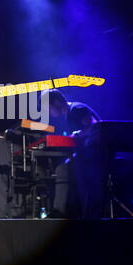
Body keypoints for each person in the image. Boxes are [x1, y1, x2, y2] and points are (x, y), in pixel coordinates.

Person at [37, 89, 102, 219]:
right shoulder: (68, 116)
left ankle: (62, 211)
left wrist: (76, 135)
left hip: (96, 156)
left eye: (47, 108)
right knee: (63, 168)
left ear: (56, 102)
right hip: (86, 156)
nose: (48, 112)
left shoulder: (77, 109)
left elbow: (96, 128)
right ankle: (68, 211)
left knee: (63, 169)